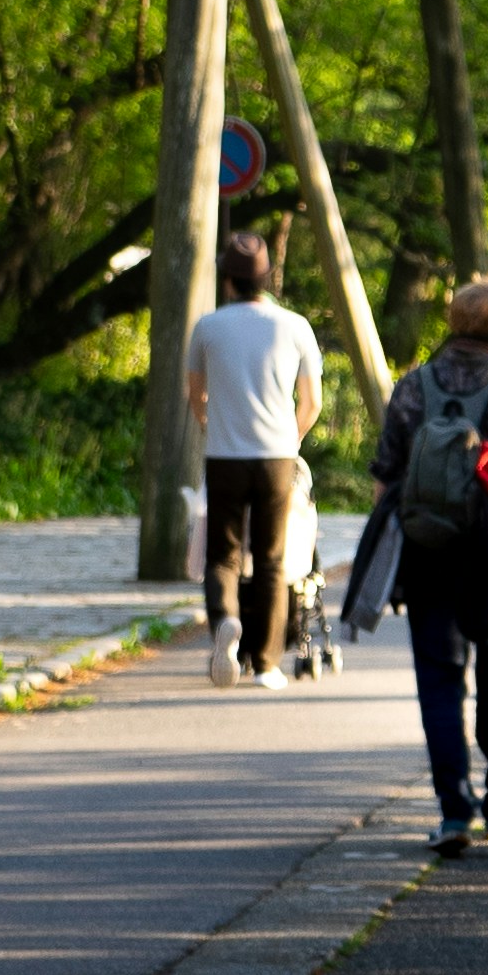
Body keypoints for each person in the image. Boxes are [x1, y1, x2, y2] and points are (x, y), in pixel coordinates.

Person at [370, 276, 488, 852]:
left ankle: (454, 812)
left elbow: (385, 484)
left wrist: (384, 566)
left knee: (438, 680)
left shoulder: (410, 389)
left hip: (427, 552)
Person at [188, 225, 327, 686]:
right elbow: (312, 402)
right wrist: (293, 435)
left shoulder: (208, 326)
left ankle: (225, 619)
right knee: (271, 558)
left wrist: (211, 424)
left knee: (223, 555)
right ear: (267, 277)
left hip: (225, 453)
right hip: (277, 457)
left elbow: (196, 394)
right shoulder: (295, 327)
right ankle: (267, 663)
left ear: (228, 280)